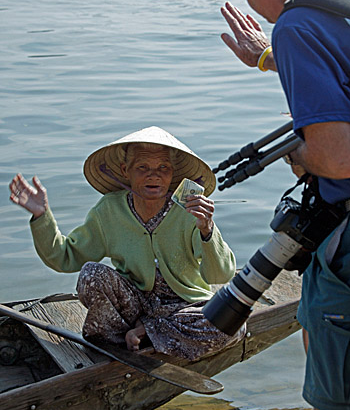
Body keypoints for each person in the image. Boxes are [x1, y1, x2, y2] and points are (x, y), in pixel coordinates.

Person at [208, 0, 350, 410]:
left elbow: (340, 157)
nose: (248, 0)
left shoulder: (298, 26)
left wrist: (298, 156)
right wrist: (268, 58)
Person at [9, 126, 243, 360]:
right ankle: (121, 341)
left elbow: (220, 276)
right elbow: (65, 258)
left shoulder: (190, 211)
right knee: (91, 274)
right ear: (125, 170)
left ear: (173, 174)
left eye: (163, 168)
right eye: (142, 167)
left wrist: (207, 229)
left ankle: (146, 334)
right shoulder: (109, 209)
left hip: (184, 307)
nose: (154, 175)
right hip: (133, 305)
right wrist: (42, 217)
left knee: (232, 325)